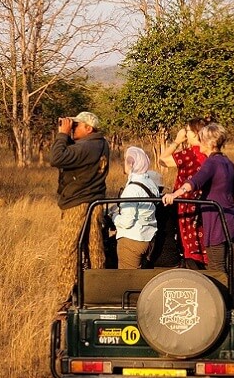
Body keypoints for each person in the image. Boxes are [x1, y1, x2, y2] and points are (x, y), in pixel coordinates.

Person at [163, 122, 234, 287]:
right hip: (233, 218)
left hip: (215, 219)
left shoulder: (211, 163)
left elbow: (193, 183)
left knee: (216, 266)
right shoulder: (227, 161)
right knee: (230, 263)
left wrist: (174, 194)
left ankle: (221, 305)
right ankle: (233, 299)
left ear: (211, 143)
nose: (201, 142)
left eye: (203, 139)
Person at [49, 111, 110, 289]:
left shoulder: (87, 147)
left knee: (68, 251)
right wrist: (67, 135)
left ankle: (64, 299)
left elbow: (57, 158)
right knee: (95, 247)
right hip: (94, 201)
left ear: (88, 128)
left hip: (77, 204)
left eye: (76, 125)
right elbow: (74, 154)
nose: (72, 128)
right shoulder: (101, 144)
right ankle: (98, 291)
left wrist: (62, 135)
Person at [160, 119, 208, 269]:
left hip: (186, 204)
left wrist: (176, 141)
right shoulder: (210, 153)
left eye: (187, 131)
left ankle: (193, 270)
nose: (185, 134)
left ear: (195, 134)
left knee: (188, 243)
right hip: (205, 204)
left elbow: (163, 160)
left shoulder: (191, 153)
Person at [109, 146, 158, 268]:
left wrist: (113, 216)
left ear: (131, 164)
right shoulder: (151, 184)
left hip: (131, 239)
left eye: (126, 160)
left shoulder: (131, 189)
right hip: (148, 238)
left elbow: (127, 222)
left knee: (127, 281)